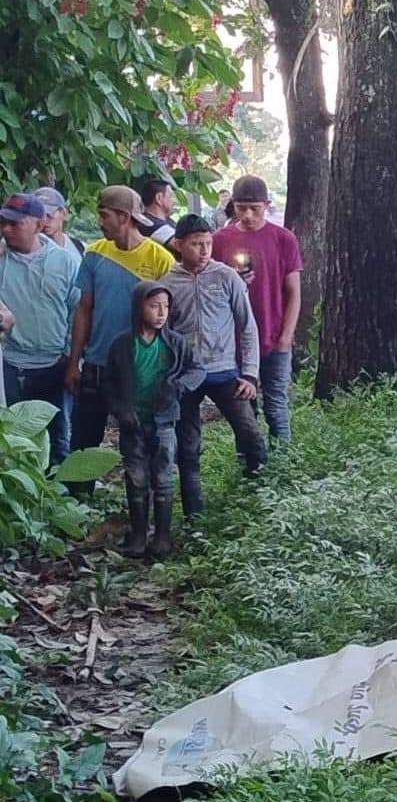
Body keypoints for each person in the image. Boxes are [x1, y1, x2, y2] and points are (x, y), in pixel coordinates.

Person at [164, 214, 266, 520]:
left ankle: (259, 496)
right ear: (179, 245)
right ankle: (194, 515)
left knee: (249, 431)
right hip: (186, 375)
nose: (204, 250)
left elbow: (247, 326)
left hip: (224, 370)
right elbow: (163, 334)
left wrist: (249, 373)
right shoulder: (168, 283)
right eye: (196, 244)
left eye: (208, 243)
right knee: (188, 445)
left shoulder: (226, 277)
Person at [67, 186, 175, 464]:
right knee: (83, 439)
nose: (99, 222)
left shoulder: (159, 258)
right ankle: (78, 499)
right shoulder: (94, 254)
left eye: (104, 215)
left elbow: (168, 319)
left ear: (124, 216)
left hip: (140, 367)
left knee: (140, 440)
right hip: (97, 363)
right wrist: (74, 362)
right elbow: (84, 310)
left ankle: (144, 500)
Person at [103, 281, 203, 558]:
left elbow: (197, 370)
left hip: (164, 422)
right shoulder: (122, 344)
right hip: (132, 423)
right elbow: (109, 382)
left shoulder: (175, 343)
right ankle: (137, 534)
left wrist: (179, 386)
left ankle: (161, 536)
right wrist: (121, 410)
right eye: (154, 306)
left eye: (166, 307)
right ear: (138, 308)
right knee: (136, 478)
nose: (161, 313)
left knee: (163, 478)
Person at [213, 176, 302, 443]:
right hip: (236, 341)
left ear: (267, 205)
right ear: (233, 206)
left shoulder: (283, 238)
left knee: (276, 404)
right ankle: (249, 466)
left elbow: (294, 291)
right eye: (242, 208)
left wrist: (286, 336)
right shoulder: (220, 240)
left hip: (274, 334)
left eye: (255, 208)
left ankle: (281, 468)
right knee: (243, 410)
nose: (249, 215)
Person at [0, 194, 80, 465]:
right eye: (3, 223)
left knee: (57, 437)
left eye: (15, 224)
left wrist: (70, 356)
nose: (6, 229)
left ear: (37, 224)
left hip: (53, 363)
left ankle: (58, 499)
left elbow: (77, 310)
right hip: (9, 363)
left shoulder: (65, 261)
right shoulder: (1, 259)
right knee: (11, 437)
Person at [34, 188, 84, 262]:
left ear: (64, 213)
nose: (44, 221)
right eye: (39, 216)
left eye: (49, 215)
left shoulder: (80, 248)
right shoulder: (27, 251)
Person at [137, 178, 179, 252]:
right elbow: (184, 246)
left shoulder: (168, 221)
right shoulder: (148, 224)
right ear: (159, 198)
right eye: (171, 196)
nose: (175, 201)